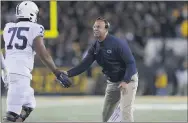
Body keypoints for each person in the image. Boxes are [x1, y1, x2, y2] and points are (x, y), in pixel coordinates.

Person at [2, 1, 71, 122]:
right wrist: (56, 72)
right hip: (20, 74)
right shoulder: (35, 28)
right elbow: (42, 53)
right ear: (32, 13)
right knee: (10, 116)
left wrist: (3, 68)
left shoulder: (8, 27)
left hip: (9, 73)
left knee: (29, 104)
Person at [63, 17, 139, 122]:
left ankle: (123, 109)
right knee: (106, 114)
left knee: (126, 110)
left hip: (128, 79)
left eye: (98, 27)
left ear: (106, 29)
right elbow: (84, 65)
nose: (95, 29)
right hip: (113, 82)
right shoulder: (95, 46)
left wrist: (125, 81)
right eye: (94, 26)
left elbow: (131, 63)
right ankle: (118, 111)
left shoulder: (117, 43)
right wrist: (68, 73)